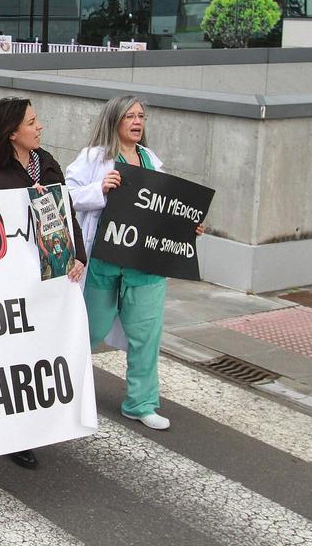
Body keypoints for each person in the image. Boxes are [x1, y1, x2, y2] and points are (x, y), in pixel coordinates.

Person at [66, 96, 198, 431]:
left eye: (142, 116)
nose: (137, 122)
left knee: (146, 335)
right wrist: (100, 188)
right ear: (115, 120)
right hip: (105, 260)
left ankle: (140, 403)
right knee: (88, 329)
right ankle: (67, 395)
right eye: (130, 116)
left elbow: (165, 209)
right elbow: (67, 196)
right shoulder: (93, 158)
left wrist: (188, 225)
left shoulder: (152, 162)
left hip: (145, 263)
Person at [0, 96, 86, 470]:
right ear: (11, 133)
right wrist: (21, 204)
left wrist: (78, 254)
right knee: (14, 359)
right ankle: (15, 434)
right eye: (32, 122)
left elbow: (67, 214)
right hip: (12, 287)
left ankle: (43, 421)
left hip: (51, 278)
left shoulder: (48, 166)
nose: (40, 127)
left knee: (44, 353)